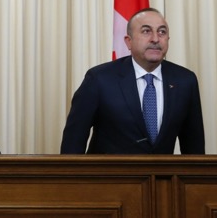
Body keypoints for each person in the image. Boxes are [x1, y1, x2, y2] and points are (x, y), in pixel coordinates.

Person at [60, 8, 205, 154]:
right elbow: (73, 141)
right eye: (146, 31)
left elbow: (194, 147)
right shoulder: (99, 79)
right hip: (110, 175)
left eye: (162, 32)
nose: (155, 39)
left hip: (162, 176)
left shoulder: (185, 80)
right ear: (128, 42)